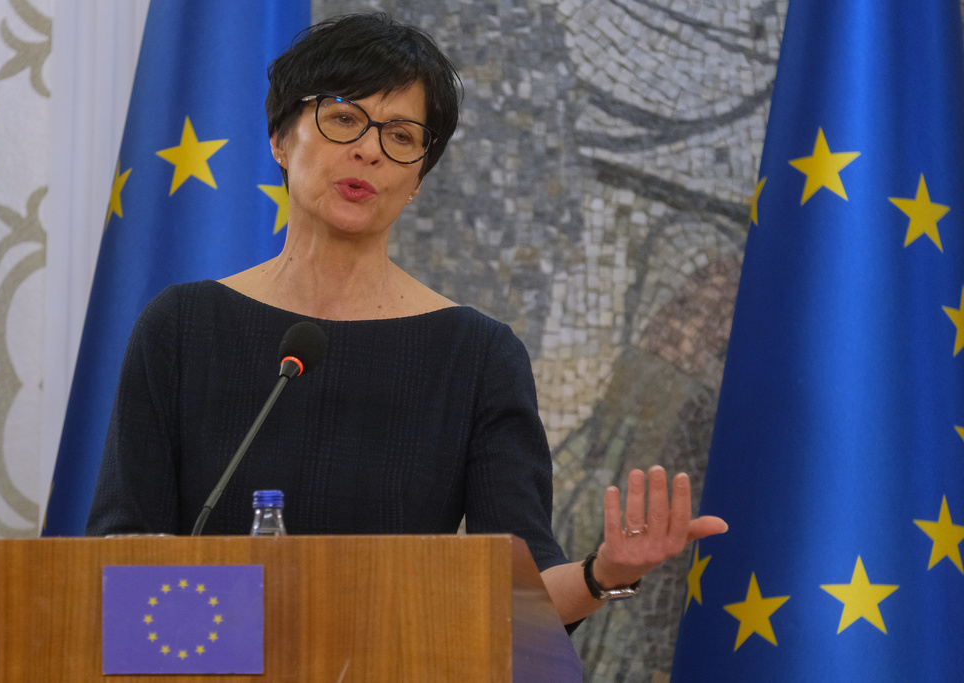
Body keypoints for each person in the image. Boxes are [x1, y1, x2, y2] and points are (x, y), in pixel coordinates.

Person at [85, 12, 727, 627]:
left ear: (418, 176)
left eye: (400, 136)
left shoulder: (477, 356)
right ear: (281, 139)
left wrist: (603, 572)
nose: (369, 151)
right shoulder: (182, 327)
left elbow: (517, 595)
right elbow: (119, 555)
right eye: (343, 119)